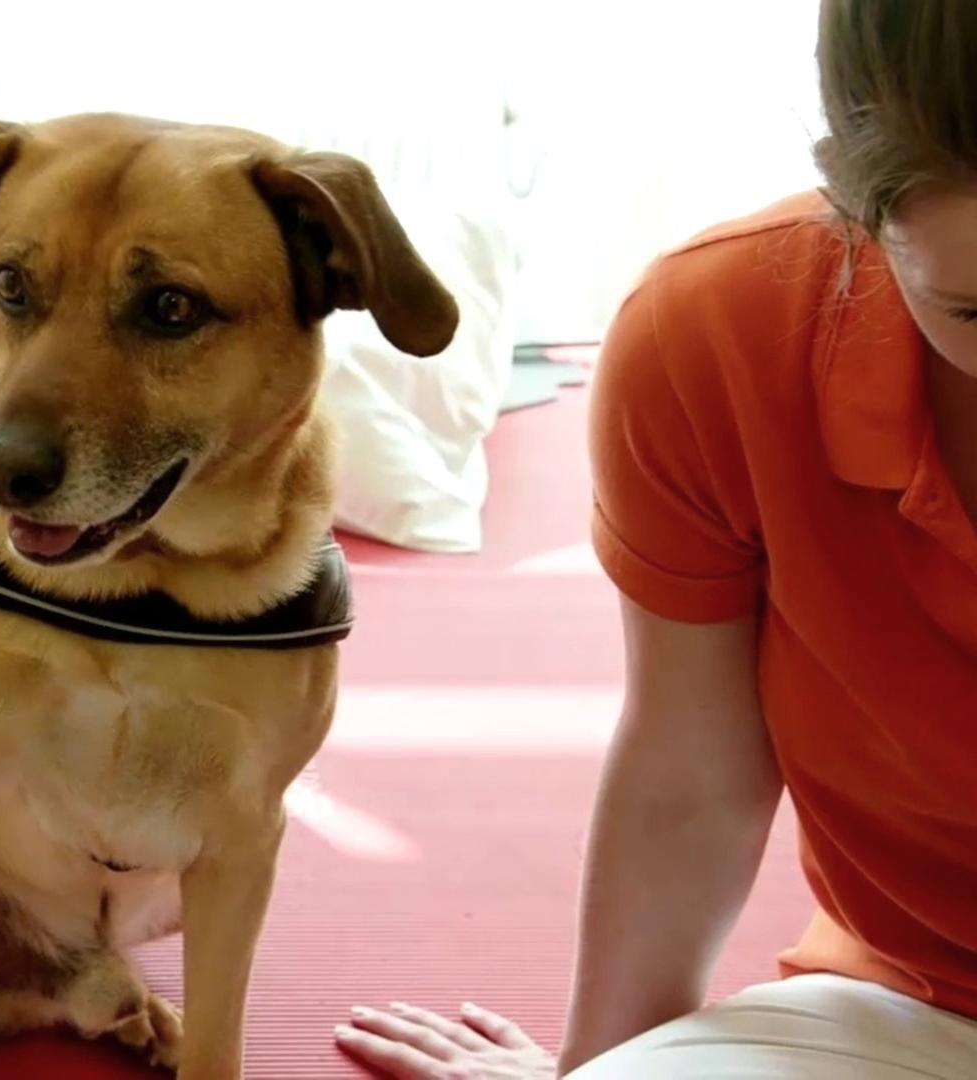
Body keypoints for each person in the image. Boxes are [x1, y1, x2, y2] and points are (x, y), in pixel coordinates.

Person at [335, 1, 977, 1077]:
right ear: (859, 206)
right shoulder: (721, 332)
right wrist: (598, 1071)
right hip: (918, 1006)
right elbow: (695, 771)